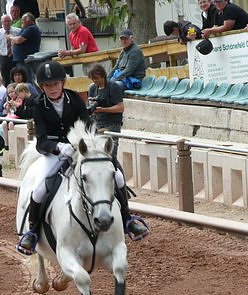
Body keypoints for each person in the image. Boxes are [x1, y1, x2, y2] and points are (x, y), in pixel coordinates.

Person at [16, 60, 149, 255]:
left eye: (55, 84)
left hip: (82, 150)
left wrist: (94, 146)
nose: (51, 89)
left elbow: (88, 125)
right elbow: (41, 141)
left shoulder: (75, 99)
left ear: (62, 83)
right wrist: (59, 147)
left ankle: (128, 219)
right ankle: (33, 232)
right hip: (55, 152)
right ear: (41, 87)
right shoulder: (38, 105)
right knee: (40, 188)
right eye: (47, 85)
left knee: (117, 176)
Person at [87, 64, 124, 156]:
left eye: (97, 78)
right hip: (97, 124)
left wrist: (103, 109)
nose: (95, 81)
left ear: (103, 76)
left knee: (110, 154)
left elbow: (120, 108)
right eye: (93, 79)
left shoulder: (113, 87)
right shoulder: (92, 88)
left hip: (112, 124)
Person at [9, 12, 41, 80]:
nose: (22, 22)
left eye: (24, 20)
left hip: (26, 60)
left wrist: (11, 37)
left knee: (27, 79)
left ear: (31, 21)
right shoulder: (25, 29)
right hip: (21, 59)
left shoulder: (31, 28)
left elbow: (18, 40)